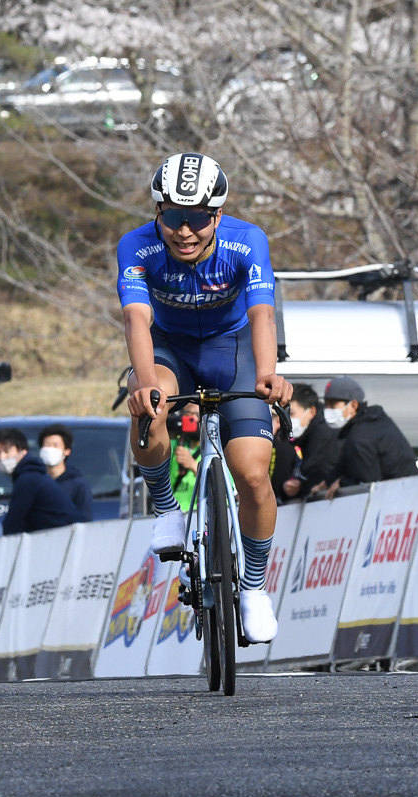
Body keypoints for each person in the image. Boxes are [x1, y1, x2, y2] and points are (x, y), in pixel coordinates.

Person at [117, 152, 291, 643]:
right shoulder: (136, 247)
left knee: (254, 471)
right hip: (170, 349)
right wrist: (146, 382)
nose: (185, 231)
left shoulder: (246, 240)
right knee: (148, 406)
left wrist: (267, 375)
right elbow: (136, 319)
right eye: (173, 217)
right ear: (158, 214)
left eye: (197, 219)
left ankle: (254, 587)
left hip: (230, 349)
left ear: (217, 215)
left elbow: (262, 313)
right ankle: (168, 508)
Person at [321, 376, 418, 496]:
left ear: (353, 406)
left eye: (333, 405)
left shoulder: (360, 437)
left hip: (397, 497)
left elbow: (366, 482)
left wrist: (343, 482)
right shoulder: (370, 421)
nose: (328, 410)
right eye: (326, 404)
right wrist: (328, 482)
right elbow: (345, 461)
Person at [0, 427, 80, 535]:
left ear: (22, 452)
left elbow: (13, 524)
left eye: (7, 451)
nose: (2, 457)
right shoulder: (32, 474)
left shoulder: (28, 479)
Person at [282, 383, 340, 499]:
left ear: (312, 412)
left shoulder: (323, 434)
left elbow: (317, 469)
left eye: (291, 414)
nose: (286, 420)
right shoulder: (308, 435)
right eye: (283, 415)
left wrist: (300, 485)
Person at [38, 423, 93, 522]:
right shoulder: (35, 480)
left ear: (66, 451)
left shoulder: (78, 484)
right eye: (47, 444)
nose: (50, 449)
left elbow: (85, 520)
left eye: (55, 445)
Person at [167, 404, 200, 513]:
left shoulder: (216, 449)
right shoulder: (174, 445)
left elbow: (222, 490)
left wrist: (194, 466)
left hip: (199, 515)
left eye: (198, 415)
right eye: (188, 414)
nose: (193, 419)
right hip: (175, 513)